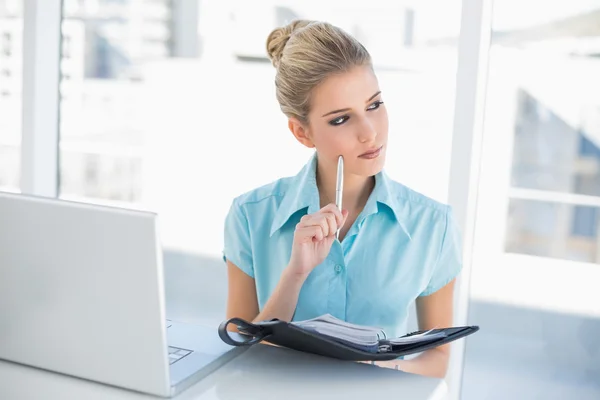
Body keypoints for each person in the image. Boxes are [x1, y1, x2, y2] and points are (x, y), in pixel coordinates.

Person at [222, 20, 462, 378]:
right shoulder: (249, 216)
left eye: (375, 104)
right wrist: (295, 274)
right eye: (340, 120)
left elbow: (440, 357)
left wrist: (377, 367)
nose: (369, 133)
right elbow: (239, 358)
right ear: (302, 132)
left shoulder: (433, 225)